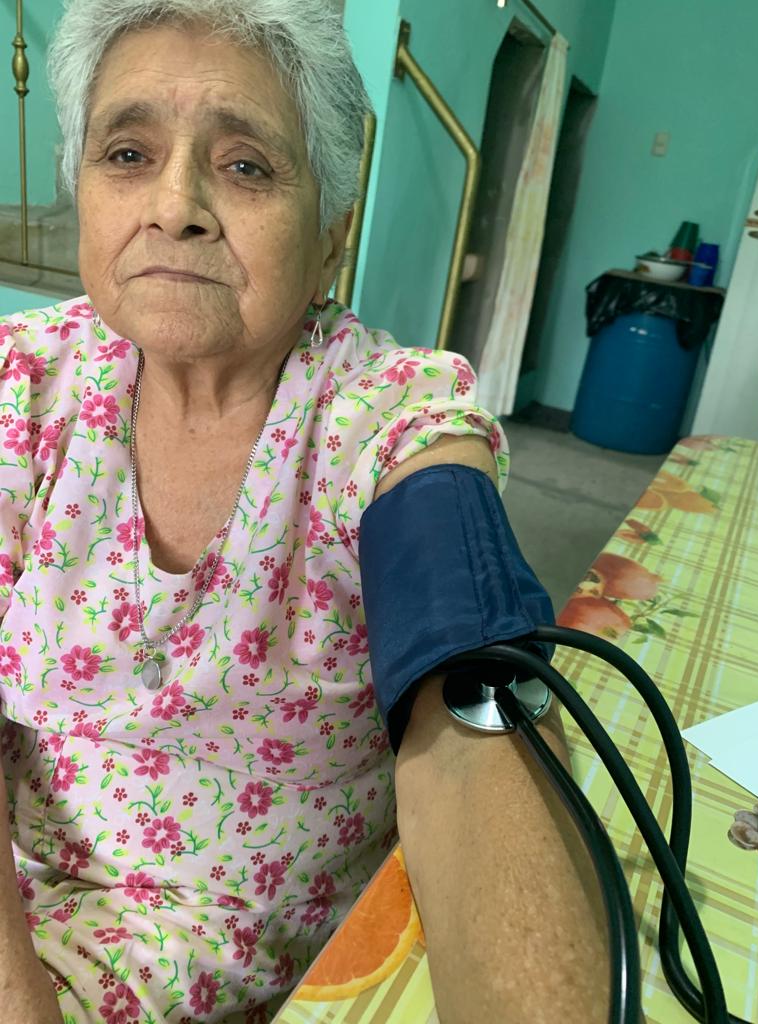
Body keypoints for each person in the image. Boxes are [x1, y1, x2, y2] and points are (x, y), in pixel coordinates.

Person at [0, 1, 609, 1021]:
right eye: (128, 154)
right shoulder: (21, 388)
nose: (176, 206)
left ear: (332, 237)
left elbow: (473, 715)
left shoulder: (394, 421)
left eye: (246, 166)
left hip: (246, 954)